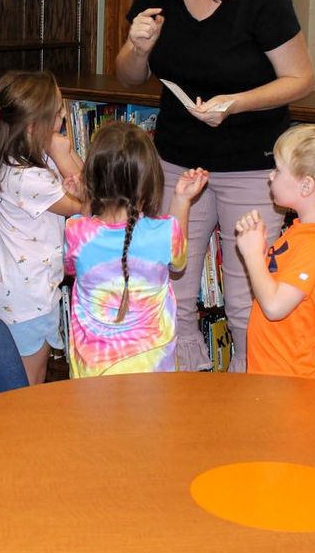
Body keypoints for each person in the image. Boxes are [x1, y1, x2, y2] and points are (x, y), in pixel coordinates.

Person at [115, 0, 315, 371]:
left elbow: (302, 78)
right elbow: (129, 77)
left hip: (251, 167)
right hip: (177, 163)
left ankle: (250, 412)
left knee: (247, 303)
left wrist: (238, 103)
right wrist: (137, 47)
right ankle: (179, 410)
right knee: (171, 290)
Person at [64, 121, 208, 376]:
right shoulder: (164, 232)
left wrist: (85, 201)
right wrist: (182, 200)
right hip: (153, 369)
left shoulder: (75, 231)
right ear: (150, 182)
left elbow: (73, 267)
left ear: (93, 178)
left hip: (94, 371)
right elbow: (179, 262)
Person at [0, 70, 84, 384]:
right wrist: (66, 156)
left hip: (10, 290)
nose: (64, 117)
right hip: (27, 298)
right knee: (28, 387)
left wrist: (65, 153)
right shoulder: (29, 177)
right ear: (35, 126)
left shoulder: (15, 160)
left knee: (6, 380)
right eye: (59, 113)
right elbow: (89, 204)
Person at [235, 124, 315, 379]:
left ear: (306, 186)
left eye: (278, 170)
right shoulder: (302, 231)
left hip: (290, 381)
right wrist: (259, 246)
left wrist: (252, 255)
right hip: (272, 375)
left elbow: (275, 306)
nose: (271, 176)